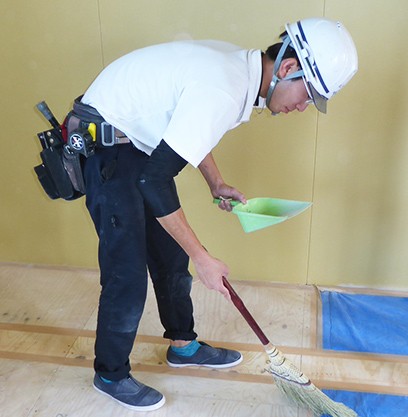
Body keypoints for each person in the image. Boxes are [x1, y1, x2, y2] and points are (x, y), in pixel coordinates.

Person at [72, 17, 357, 411]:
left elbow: (188, 127)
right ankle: (110, 374)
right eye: (307, 95)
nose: (302, 107)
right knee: (128, 272)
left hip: (136, 144)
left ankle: (183, 345)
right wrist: (203, 258)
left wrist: (215, 182)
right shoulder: (226, 85)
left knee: (172, 258)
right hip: (106, 148)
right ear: (288, 68)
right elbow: (155, 181)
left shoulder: (239, 71)